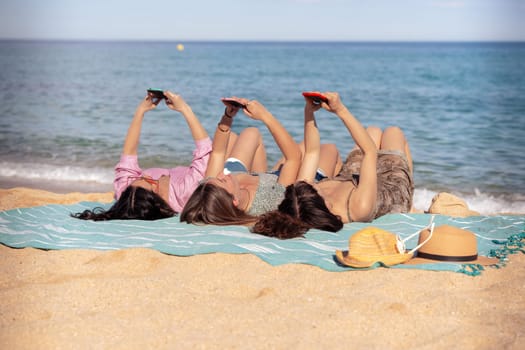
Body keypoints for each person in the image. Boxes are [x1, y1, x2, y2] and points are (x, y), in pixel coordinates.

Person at [252, 91, 414, 239]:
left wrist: (308, 111)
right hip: (389, 185)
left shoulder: (302, 200)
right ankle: (411, 194)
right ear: (328, 206)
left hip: (350, 176)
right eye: (316, 190)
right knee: (393, 132)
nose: (312, 184)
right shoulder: (359, 208)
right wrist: (340, 110)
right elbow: (369, 151)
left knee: (373, 131)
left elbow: (312, 152)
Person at [71, 90, 233, 221]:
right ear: (156, 197)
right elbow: (205, 150)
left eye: (138, 178)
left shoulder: (127, 193)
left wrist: (140, 111)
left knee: (231, 139)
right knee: (246, 135)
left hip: (215, 163)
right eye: (148, 180)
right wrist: (184, 109)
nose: (145, 175)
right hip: (223, 176)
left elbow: (129, 154)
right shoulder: (185, 192)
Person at [181, 97, 342, 226]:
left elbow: (217, 153)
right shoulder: (270, 201)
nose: (221, 174)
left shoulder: (211, 189)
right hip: (297, 183)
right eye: (222, 180)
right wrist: (265, 116)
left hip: (270, 177)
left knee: (251, 132)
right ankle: (333, 187)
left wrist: (228, 116)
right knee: (329, 149)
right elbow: (293, 157)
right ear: (235, 201)